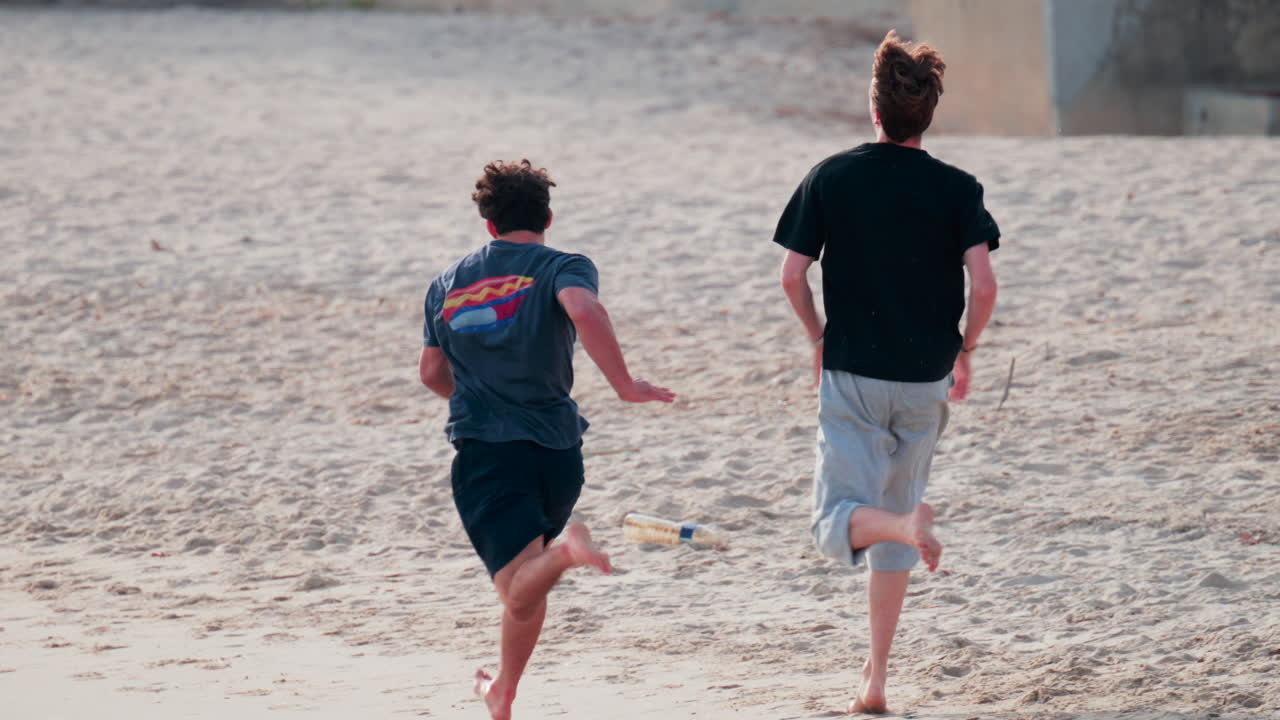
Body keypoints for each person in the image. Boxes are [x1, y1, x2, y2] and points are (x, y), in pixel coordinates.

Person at [773, 31, 1000, 715]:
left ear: (875, 108)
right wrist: (966, 350)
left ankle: (905, 531)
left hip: (853, 374)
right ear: (925, 113)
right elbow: (984, 286)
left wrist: (817, 336)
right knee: (895, 513)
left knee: (834, 521)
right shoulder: (959, 188)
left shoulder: (832, 175)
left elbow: (791, 275)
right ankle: (874, 683)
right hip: (927, 375)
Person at [419, 159, 675, 720]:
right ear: (548, 217)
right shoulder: (564, 264)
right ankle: (503, 691)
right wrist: (625, 386)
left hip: (490, 453)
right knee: (524, 583)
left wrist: (479, 391)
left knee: (518, 585)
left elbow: (432, 375)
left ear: (489, 224)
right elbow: (581, 306)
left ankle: (567, 554)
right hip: (560, 454)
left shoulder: (447, 284)